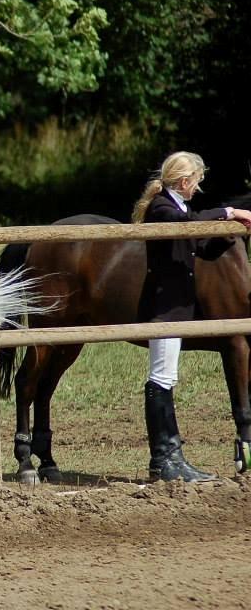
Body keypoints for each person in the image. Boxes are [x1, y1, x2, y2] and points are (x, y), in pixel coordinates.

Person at [132, 151, 251, 481]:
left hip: (176, 307)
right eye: (196, 181)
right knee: (161, 378)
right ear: (184, 181)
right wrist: (228, 211)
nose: (198, 187)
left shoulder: (176, 207)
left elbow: (197, 245)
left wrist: (231, 232)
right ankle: (164, 459)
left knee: (166, 377)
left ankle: (170, 457)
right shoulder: (163, 209)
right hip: (165, 308)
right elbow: (190, 227)